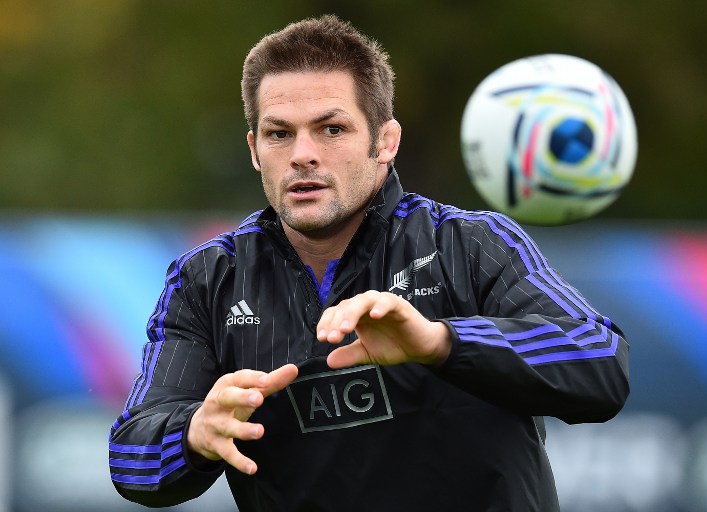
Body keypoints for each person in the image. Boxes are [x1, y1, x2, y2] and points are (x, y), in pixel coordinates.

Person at [108, 14, 629, 512]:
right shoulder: (208, 279)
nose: (302, 154)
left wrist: (441, 343)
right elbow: (131, 456)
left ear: (386, 141)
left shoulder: (470, 244)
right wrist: (195, 433)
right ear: (253, 149)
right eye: (279, 133)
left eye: (331, 129)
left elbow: (601, 362)